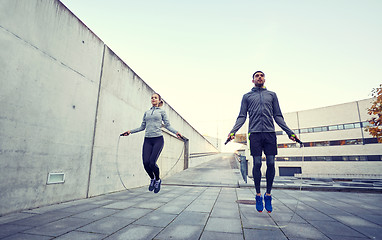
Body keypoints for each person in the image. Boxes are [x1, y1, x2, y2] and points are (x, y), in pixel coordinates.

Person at [227, 71, 299, 213]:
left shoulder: (272, 95)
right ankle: (258, 195)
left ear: (264, 79)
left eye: (262, 75)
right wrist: (233, 131)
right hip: (254, 134)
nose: (260, 77)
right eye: (257, 76)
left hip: (269, 133)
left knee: (271, 163)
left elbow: (278, 116)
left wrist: (289, 132)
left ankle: (268, 194)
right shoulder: (247, 97)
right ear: (252, 80)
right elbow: (241, 116)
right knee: (258, 163)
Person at [121, 93, 182, 193]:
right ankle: (152, 179)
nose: (153, 99)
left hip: (158, 139)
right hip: (148, 140)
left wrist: (176, 132)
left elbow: (167, 126)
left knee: (152, 162)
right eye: (152, 98)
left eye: (155, 98)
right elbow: (142, 127)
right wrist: (130, 131)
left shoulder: (162, 112)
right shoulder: (147, 113)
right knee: (145, 163)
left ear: (159, 100)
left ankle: (158, 180)